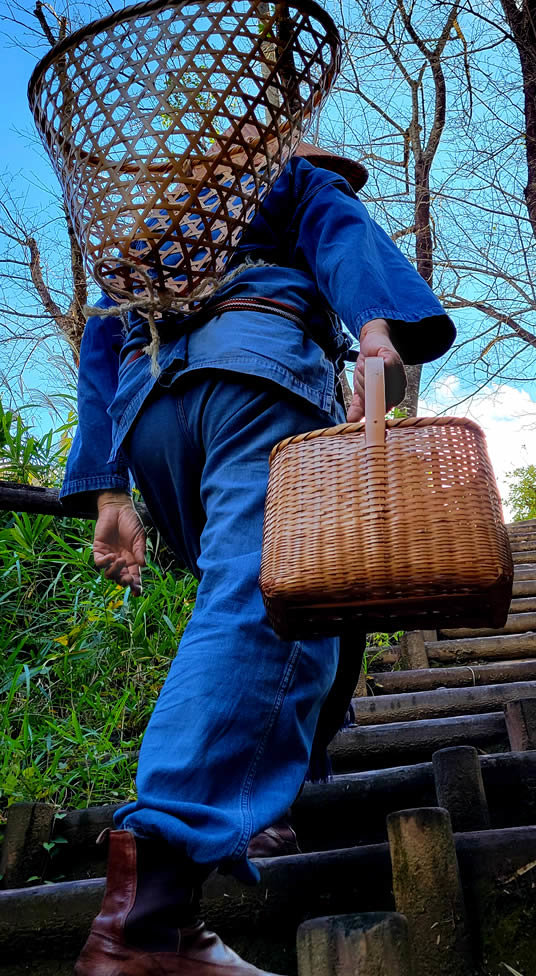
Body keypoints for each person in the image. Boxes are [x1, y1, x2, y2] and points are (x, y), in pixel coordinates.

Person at [61, 140, 456, 976]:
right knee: (279, 596)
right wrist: (378, 334)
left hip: (152, 418)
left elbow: (102, 342)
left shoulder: (155, 226)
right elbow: (341, 235)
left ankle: (270, 796)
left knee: (275, 588)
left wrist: (108, 493)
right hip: (256, 376)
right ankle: (152, 914)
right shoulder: (290, 178)